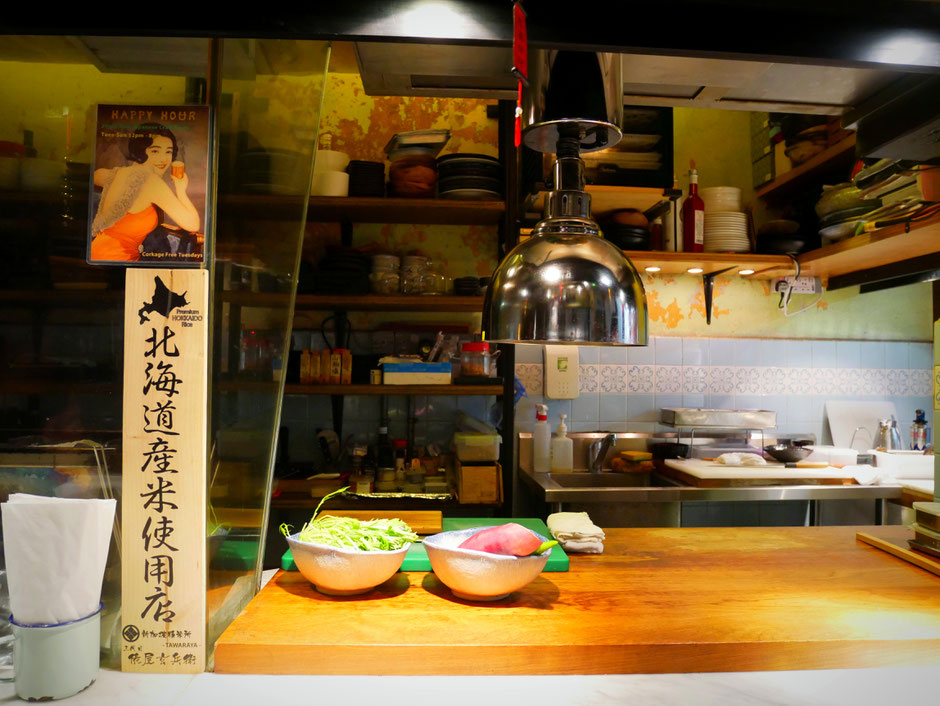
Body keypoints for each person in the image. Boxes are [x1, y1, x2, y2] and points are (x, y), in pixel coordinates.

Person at [89, 123, 200, 262]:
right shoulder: (151, 182)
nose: (163, 159)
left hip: (98, 253)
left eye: (168, 152)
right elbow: (193, 224)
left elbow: (97, 175)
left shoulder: (123, 173)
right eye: (155, 151)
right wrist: (181, 189)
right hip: (116, 259)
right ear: (141, 150)